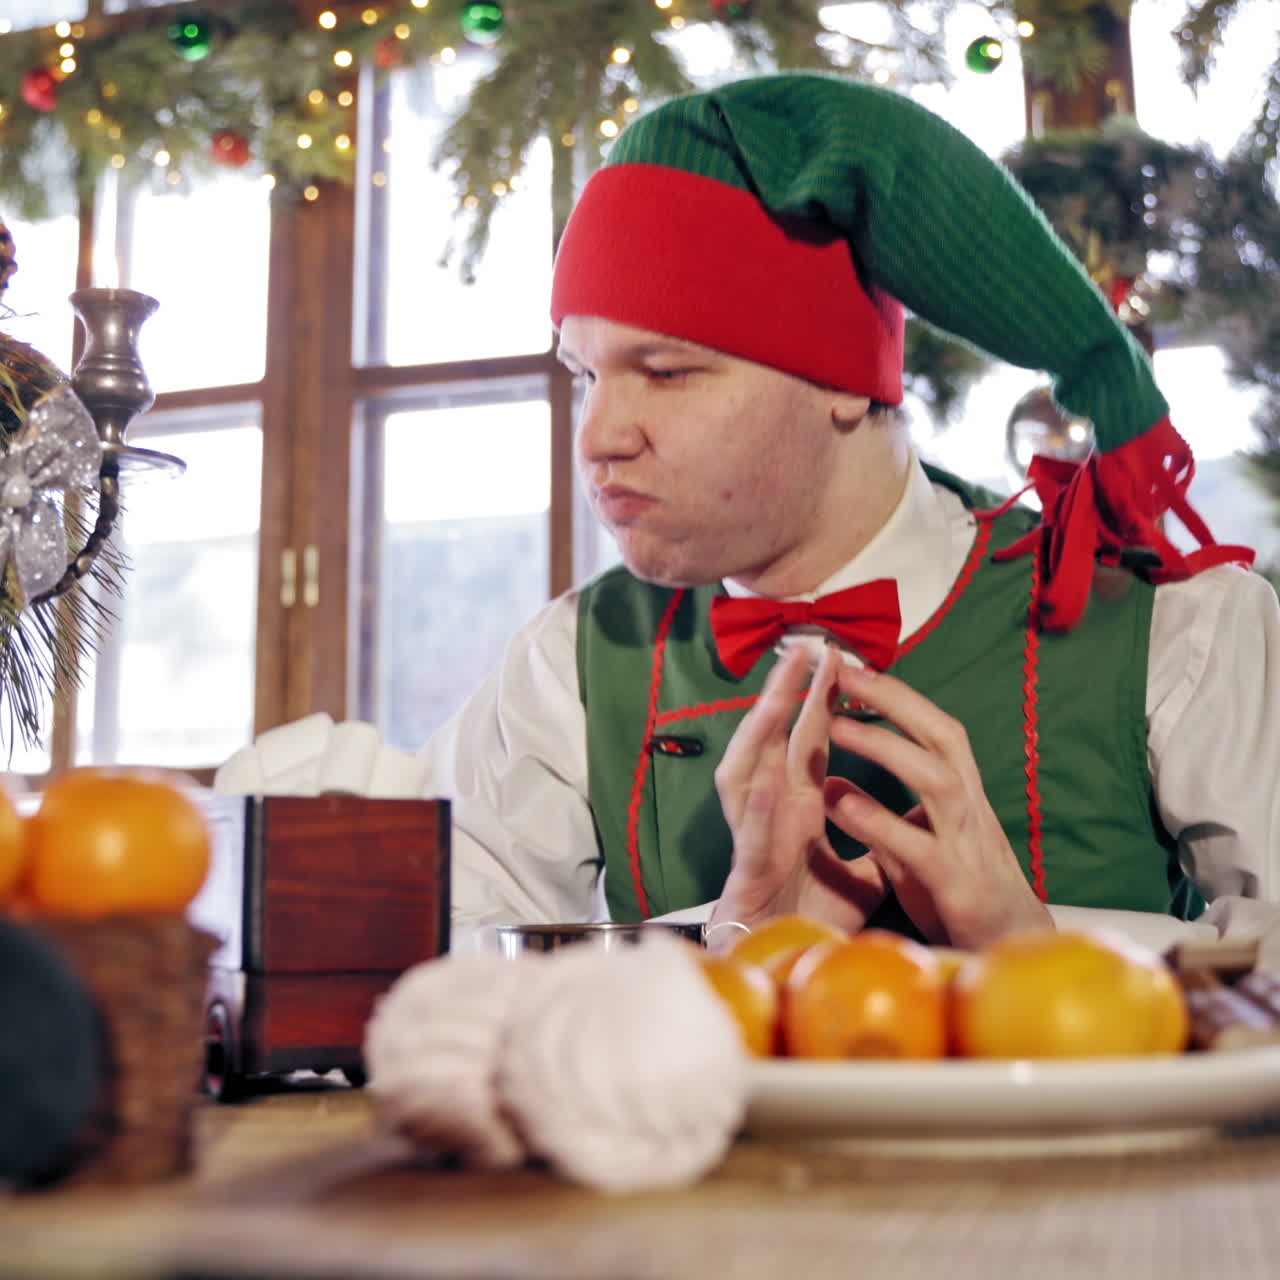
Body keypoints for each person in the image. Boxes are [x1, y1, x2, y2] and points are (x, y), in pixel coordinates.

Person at [422, 72, 1280, 955]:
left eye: (667, 371)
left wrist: (1044, 947)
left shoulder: (1173, 631)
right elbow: (438, 974)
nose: (599, 436)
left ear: (838, 381)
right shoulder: (571, 664)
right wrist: (729, 943)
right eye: (585, 376)